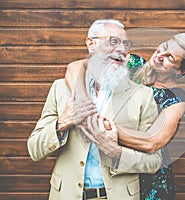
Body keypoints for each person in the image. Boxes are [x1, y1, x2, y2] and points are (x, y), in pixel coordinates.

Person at [27, 19, 162, 200]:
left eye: (125, 44)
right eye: (113, 41)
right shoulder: (60, 89)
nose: (122, 50)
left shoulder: (142, 96)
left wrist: (117, 153)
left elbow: (154, 161)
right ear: (91, 44)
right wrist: (61, 124)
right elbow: (35, 150)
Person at [66, 32, 185, 199]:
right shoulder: (132, 63)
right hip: (114, 178)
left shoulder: (176, 100)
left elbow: (152, 141)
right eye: (164, 47)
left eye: (170, 57)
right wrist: (82, 101)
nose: (160, 55)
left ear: (183, 71)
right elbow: (77, 67)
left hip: (150, 183)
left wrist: (103, 127)